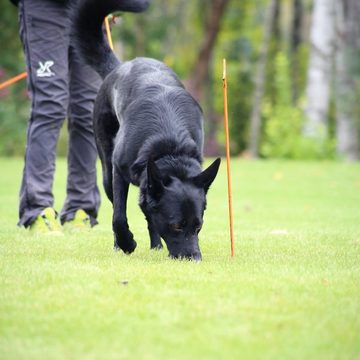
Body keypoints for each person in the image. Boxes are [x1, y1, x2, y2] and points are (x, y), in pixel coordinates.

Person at [11, 0, 102, 233]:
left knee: (88, 111)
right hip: (44, 8)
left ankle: (80, 210)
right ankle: (37, 208)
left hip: (88, 9)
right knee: (50, 105)